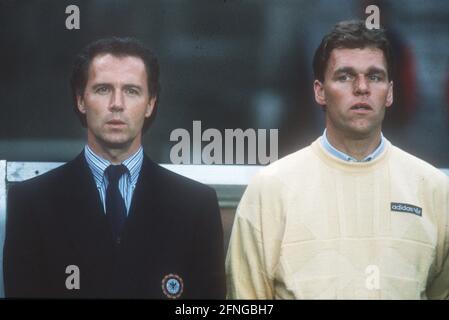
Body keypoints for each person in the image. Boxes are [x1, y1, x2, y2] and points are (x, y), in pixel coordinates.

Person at [226, 20, 449, 299]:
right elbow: (246, 299)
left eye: (375, 77)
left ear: (390, 92)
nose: (361, 87)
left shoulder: (434, 189)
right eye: (345, 76)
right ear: (320, 91)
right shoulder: (271, 188)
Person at [3, 37, 226, 299]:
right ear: (81, 100)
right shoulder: (31, 202)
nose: (117, 103)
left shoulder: (196, 205)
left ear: (150, 103)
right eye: (103, 89)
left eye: (131, 90)